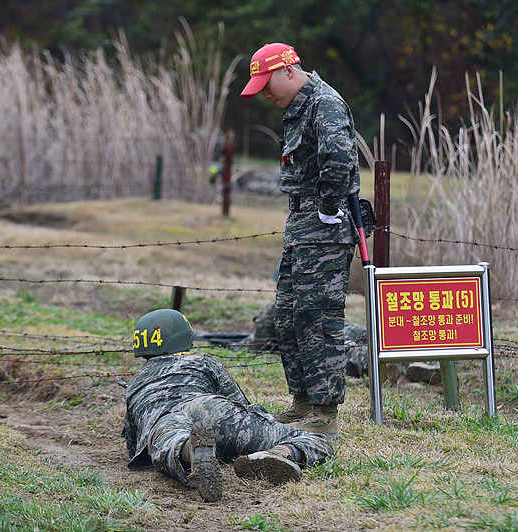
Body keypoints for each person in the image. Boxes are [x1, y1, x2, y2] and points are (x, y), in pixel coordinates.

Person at [241, 43, 361, 436]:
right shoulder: (296, 108)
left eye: (267, 84)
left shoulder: (324, 103)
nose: (266, 94)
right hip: (301, 225)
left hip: (324, 228)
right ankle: (303, 401)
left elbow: (339, 160)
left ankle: (325, 415)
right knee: (290, 315)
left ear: (288, 71)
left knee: (319, 316)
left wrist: (328, 208)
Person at [122, 309, 334, 503]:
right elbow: (241, 404)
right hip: (207, 407)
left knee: (171, 445)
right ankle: (280, 453)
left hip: (163, 421)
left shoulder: (135, 383)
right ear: (183, 338)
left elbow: (134, 444)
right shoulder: (203, 361)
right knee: (312, 439)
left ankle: (189, 451)